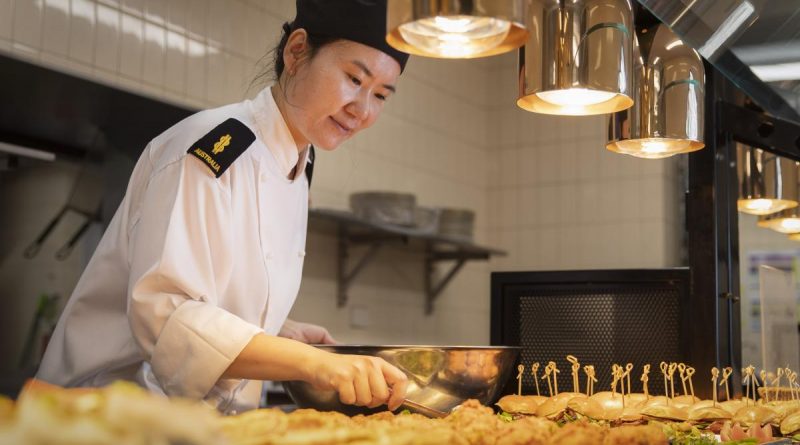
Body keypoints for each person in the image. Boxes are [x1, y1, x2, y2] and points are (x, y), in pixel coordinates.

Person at [37, 0, 410, 414]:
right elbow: (166, 314)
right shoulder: (213, 147)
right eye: (354, 78)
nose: (361, 109)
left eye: (380, 95)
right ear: (297, 51)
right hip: (98, 418)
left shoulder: (297, 168)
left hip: (189, 424)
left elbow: (210, 302)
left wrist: (281, 335)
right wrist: (312, 364)